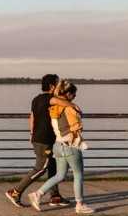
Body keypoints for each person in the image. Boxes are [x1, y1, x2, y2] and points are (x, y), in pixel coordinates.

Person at [5, 74, 79, 208]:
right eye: (57, 84)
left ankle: (55, 196)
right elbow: (60, 102)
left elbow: (32, 118)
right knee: (40, 168)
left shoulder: (36, 99)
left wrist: (32, 133)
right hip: (44, 140)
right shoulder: (50, 98)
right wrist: (73, 105)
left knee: (53, 167)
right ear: (51, 86)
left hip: (41, 139)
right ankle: (15, 191)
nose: (59, 86)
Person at [28, 80, 95, 214]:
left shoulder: (53, 107)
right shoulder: (68, 108)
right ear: (69, 94)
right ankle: (80, 205)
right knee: (78, 174)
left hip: (58, 145)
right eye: (74, 95)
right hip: (70, 145)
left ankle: (38, 194)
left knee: (60, 174)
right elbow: (75, 126)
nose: (74, 98)